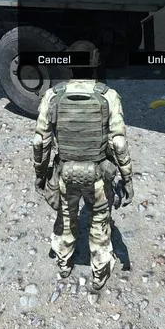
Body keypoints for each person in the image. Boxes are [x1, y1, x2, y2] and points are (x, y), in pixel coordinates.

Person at [32, 42, 133, 292]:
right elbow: (119, 144)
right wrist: (128, 179)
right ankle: (99, 274)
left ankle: (64, 264)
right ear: (97, 63)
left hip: (66, 173)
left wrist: (40, 175)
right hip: (99, 175)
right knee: (100, 221)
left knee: (66, 218)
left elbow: (40, 142)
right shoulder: (108, 96)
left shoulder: (53, 96)